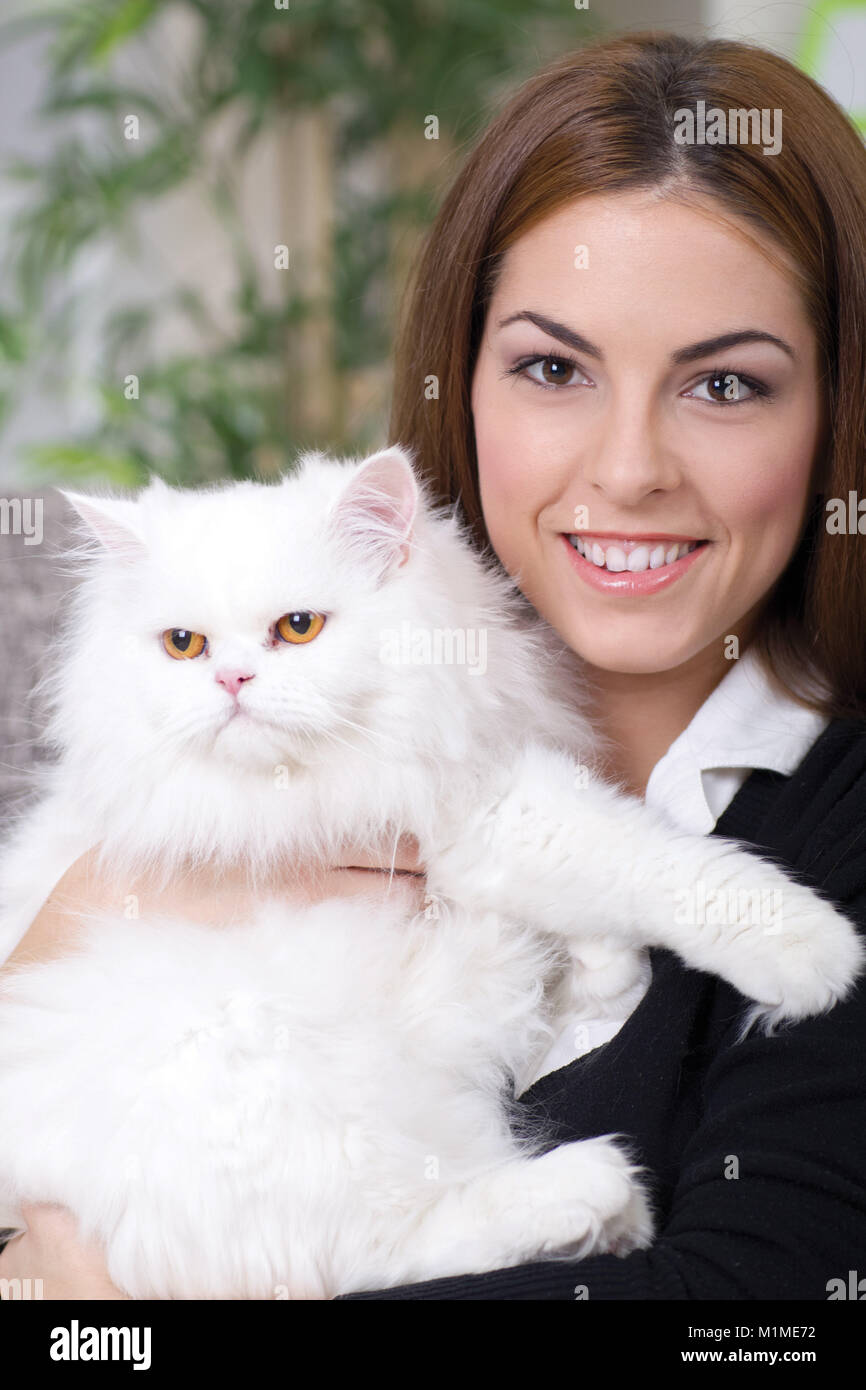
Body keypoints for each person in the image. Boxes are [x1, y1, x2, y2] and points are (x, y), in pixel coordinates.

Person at [2, 29, 866, 1299]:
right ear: (456, 380)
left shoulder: (833, 811)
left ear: (836, 407)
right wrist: (51, 950)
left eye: (723, 384)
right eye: (552, 368)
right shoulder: (239, 733)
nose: (626, 470)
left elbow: (755, 1314)